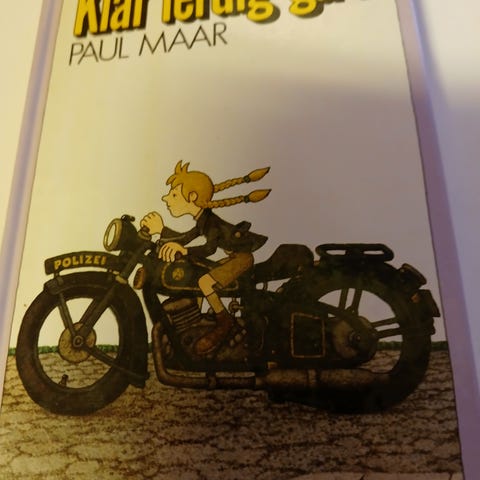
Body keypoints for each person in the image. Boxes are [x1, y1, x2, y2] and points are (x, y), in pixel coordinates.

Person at [141, 161, 270, 356]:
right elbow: (185, 238)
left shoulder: (210, 222)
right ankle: (199, 322)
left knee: (205, 282)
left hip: (241, 259)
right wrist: (161, 231)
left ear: (192, 197)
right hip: (234, 258)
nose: (166, 198)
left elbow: (209, 249)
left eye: (174, 194)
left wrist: (184, 251)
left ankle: (224, 320)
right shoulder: (202, 220)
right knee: (199, 276)